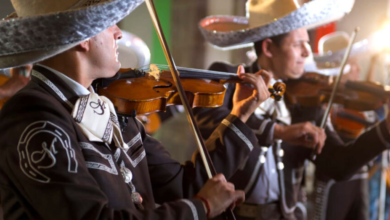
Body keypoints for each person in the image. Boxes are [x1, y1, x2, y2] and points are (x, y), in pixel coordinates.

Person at [0, 0, 273, 219]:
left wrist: (241, 114)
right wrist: (201, 207)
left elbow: (182, 186)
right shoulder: (33, 116)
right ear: (83, 36)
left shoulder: (113, 108)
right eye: (110, 25)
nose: (119, 32)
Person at [195, 0, 390, 219]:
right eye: (298, 44)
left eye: (307, 43)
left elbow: (338, 164)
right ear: (268, 48)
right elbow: (209, 119)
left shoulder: (306, 97)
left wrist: (384, 132)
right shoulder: (228, 78)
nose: (308, 53)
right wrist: (279, 131)